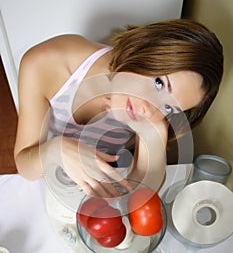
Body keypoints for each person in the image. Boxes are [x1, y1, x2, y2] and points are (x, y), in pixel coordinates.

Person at [14, 19, 223, 198]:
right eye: (159, 83)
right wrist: (55, 150)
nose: (148, 110)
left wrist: (156, 135)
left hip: (110, 170)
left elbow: (140, 194)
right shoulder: (45, 63)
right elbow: (24, 166)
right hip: (54, 170)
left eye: (169, 107)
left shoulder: (152, 116)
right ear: (145, 49)